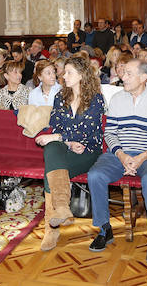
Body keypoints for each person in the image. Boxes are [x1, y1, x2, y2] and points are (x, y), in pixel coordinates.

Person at [87, 59, 147, 264]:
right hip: (120, 154)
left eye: (128, 74)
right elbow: (110, 133)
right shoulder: (117, 99)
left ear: (143, 77)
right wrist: (122, 155)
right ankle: (105, 229)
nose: (123, 77)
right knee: (95, 175)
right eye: (123, 73)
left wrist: (142, 156)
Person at [34, 56, 105, 251]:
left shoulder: (95, 98)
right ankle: (62, 210)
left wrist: (61, 137)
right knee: (51, 149)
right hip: (66, 147)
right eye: (63, 72)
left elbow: (88, 130)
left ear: (82, 75)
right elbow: (56, 125)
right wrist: (67, 140)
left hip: (88, 151)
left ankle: (52, 229)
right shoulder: (60, 97)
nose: (63, 76)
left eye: (68, 72)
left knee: (51, 172)